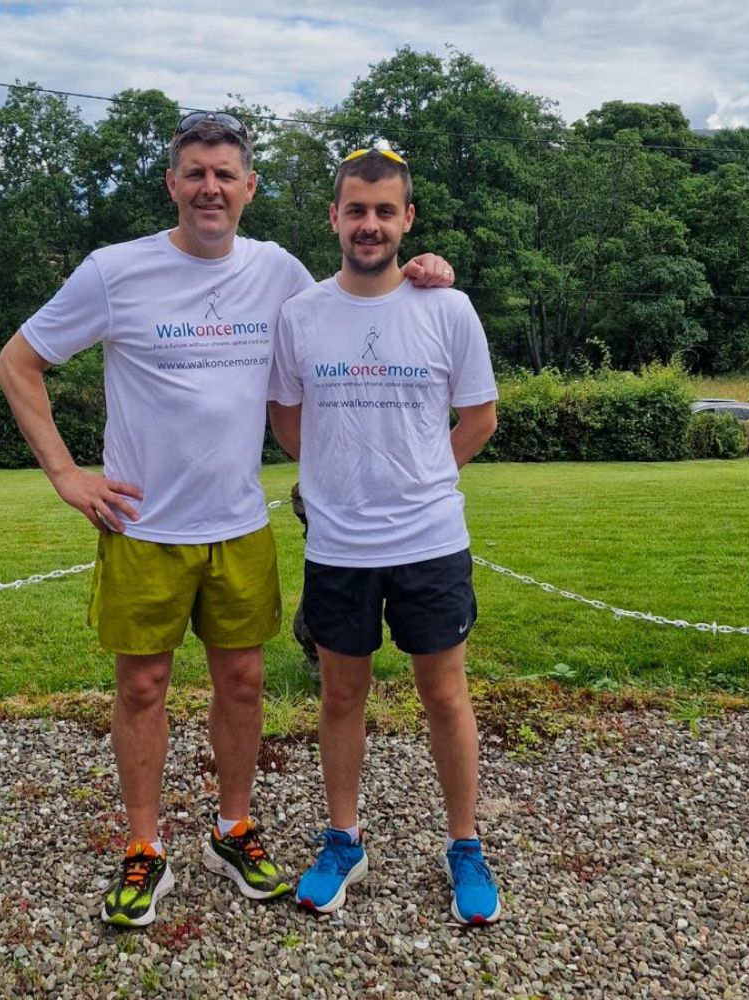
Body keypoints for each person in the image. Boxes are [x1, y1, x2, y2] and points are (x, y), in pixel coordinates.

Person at [0, 113, 455, 928]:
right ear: (172, 184)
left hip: (239, 521)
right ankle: (143, 849)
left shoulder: (276, 271)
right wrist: (65, 474)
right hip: (144, 525)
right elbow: (18, 360)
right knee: (142, 685)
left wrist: (425, 270)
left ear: (248, 188)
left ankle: (232, 828)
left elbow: (353, 300)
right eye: (194, 172)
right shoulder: (114, 271)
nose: (210, 187)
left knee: (241, 684)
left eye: (225, 174)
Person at [267, 146, 502, 925]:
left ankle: (464, 845)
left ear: (407, 220)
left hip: (430, 539)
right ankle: (343, 840)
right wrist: (338, 477)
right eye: (355, 210)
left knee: (443, 694)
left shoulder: (447, 307)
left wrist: (420, 478)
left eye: (383, 211)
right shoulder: (300, 313)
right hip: (338, 544)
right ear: (333, 217)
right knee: (341, 695)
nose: (368, 225)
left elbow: (478, 419)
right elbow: (286, 418)